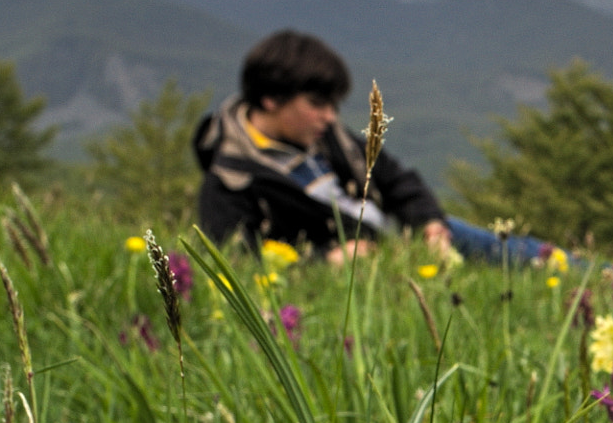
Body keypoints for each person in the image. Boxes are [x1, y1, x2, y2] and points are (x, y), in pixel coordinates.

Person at [193, 30, 558, 264]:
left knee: (532, 255)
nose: (330, 117)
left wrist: (429, 223)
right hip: (378, 264)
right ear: (270, 99)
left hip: (413, 236)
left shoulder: (326, 136)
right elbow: (239, 265)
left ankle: (605, 275)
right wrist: (328, 260)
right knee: (516, 263)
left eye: (334, 105)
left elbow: (398, 179)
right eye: (317, 104)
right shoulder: (229, 181)